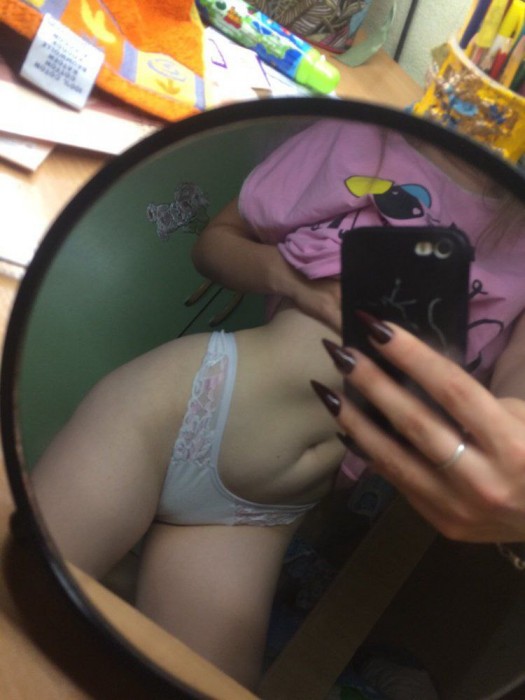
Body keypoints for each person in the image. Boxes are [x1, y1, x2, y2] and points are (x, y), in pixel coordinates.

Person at [30, 117, 525, 689]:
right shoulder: (363, 138)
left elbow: (516, 402)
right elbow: (215, 243)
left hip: (267, 507)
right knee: (22, 603)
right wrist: (292, 281)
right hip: (176, 409)